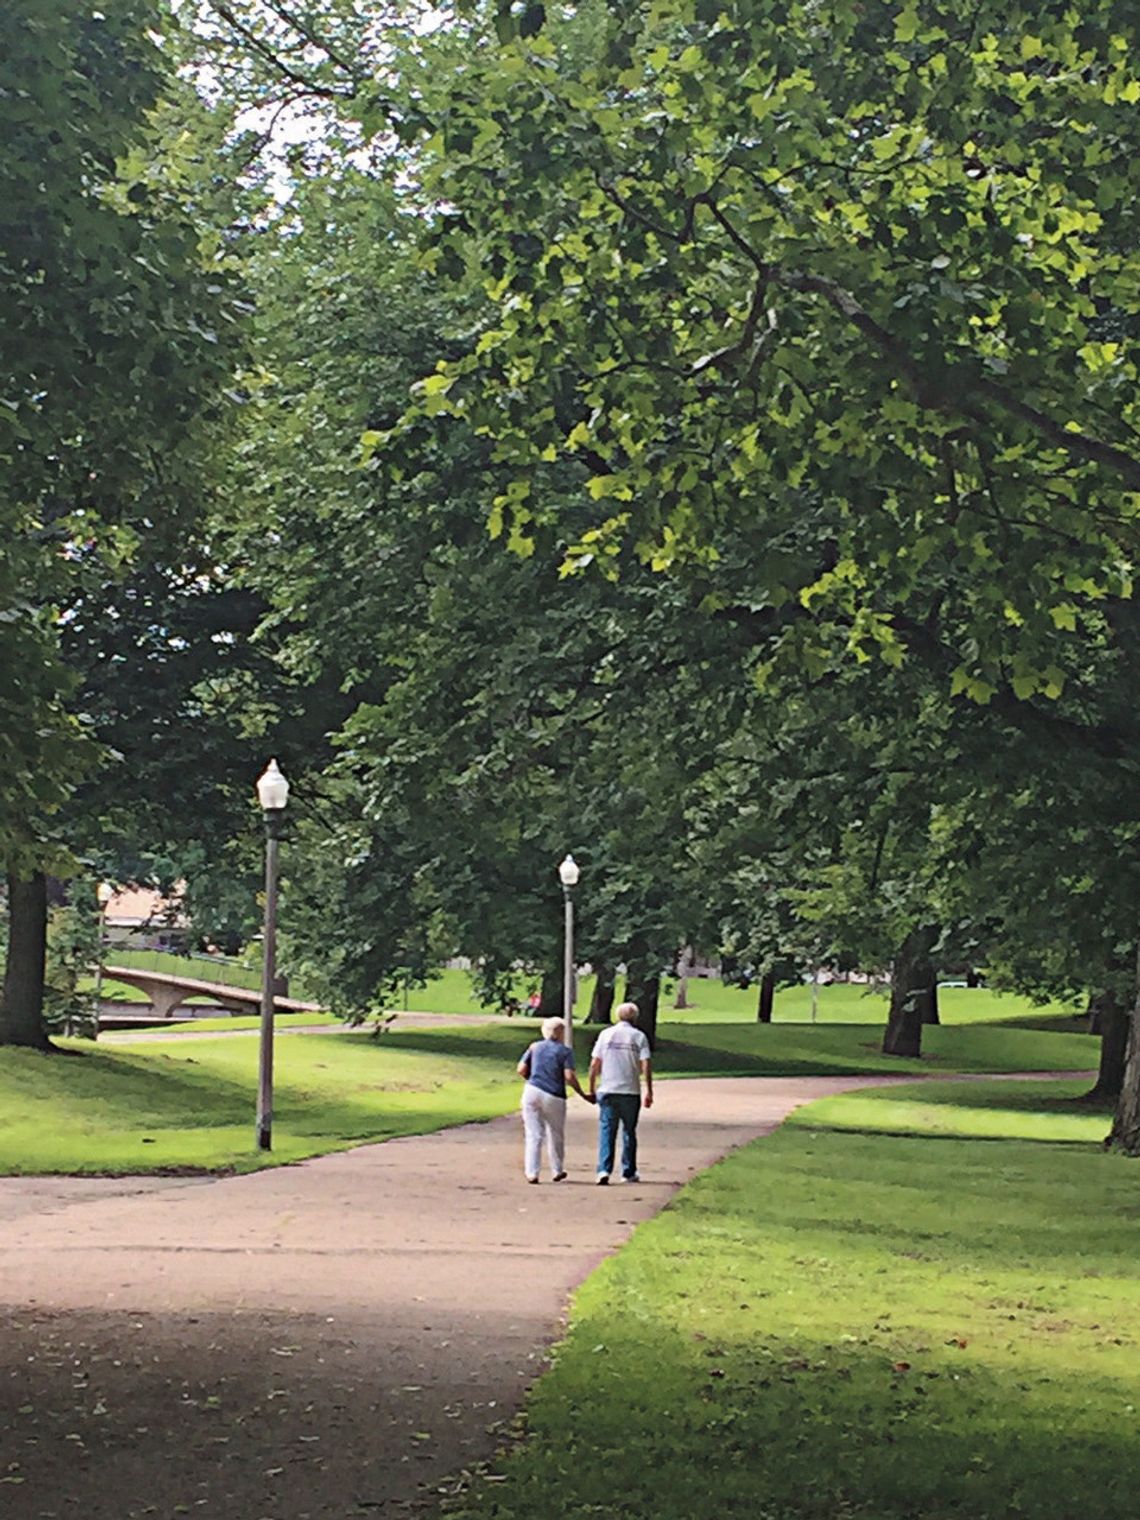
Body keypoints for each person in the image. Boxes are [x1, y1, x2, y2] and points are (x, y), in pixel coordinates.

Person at [517, 1016, 593, 1183]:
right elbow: (569, 1075)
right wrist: (581, 1093)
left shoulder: (534, 1047)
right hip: (554, 1095)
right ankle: (557, 1170)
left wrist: (533, 1079)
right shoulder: (564, 1051)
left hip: (531, 1091)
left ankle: (532, 1172)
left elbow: (521, 1069)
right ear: (560, 1033)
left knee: (533, 1134)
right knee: (555, 1133)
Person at [589, 1001, 653, 1184]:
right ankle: (628, 1171)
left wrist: (592, 1086)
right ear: (635, 1017)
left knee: (607, 1130)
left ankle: (603, 1169)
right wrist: (649, 1090)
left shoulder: (605, 1035)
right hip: (630, 1090)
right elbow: (646, 1064)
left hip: (608, 1088)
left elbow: (595, 1063)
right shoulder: (639, 1037)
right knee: (629, 1131)